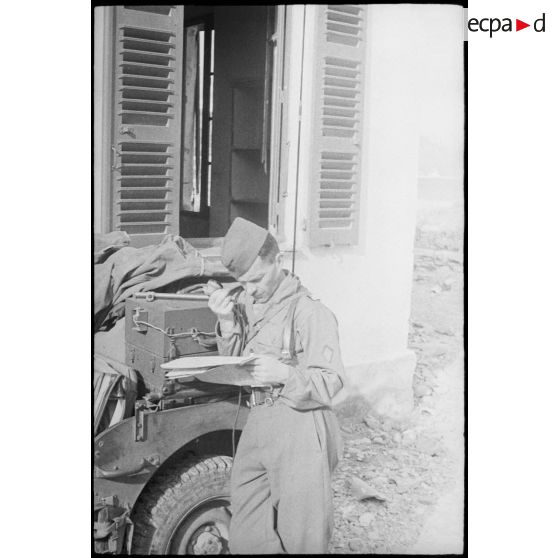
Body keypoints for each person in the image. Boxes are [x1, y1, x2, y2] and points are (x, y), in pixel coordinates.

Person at [208, 217, 346, 554]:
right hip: (259, 420)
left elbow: (332, 383)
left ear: (279, 262)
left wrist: (284, 375)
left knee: (303, 536)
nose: (250, 289)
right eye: (243, 282)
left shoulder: (311, 313)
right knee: (247, 532)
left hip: (300, 423)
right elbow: (238, 364)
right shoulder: (250, 304)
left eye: (256, 279)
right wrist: (227, 323)